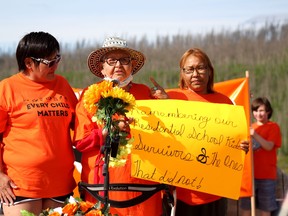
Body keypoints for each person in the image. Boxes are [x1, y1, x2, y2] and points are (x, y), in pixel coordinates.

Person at [73, 37, 167, 216]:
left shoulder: (147, 93)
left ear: (132, 66)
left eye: (124, 60)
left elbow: (168, 133)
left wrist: (168, 104)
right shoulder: (89, 95)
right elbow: (81, 142)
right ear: (102, 67)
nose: (118, 65)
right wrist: (108, 130)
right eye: (111, 60)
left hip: (145, 188)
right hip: (102, 187)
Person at [0, 32, 78, 215]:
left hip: (60, 183)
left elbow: (82, 124)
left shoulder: (63, 84)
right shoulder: (7, 88)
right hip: (20, 184)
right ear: (28, 63)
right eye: (50, 62)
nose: (56, 65)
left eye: (57, 58)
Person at [166, 47, 250, 216]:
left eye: (200, 68)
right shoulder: (172, 99)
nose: (195, 74)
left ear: (210, 71)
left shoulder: (224, 103)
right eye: (189, 69)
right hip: (183, 195)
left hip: (216, 192)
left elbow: (232, 142)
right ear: (182, 74)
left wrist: (241, 147)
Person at [240, 97, 282, 216]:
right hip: (249, 176)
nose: (258, 113)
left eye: (262, 110)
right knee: (246, 207)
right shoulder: (249, 127)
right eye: (256, 110)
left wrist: (255, 135)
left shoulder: (273, 127)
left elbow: (269, 146)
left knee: (265, 208)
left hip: (266, 176)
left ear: (268, 111)